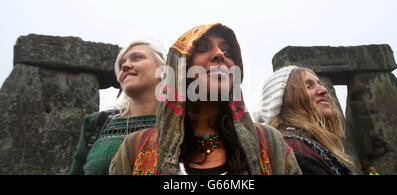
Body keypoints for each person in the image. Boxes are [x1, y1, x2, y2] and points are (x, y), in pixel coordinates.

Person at [109, 23, 302, 175]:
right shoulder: (135, 148)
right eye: (202, 48)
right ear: (179, 69)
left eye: (228, 52)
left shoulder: (269, 143)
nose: (219, 54)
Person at [68, 40, 167, 175]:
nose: (125, 65)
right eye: (121, 64)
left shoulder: (185, 124)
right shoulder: (98, 123)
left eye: (137, 57)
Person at [255, 65, 354, 175]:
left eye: (319, 83)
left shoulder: (309, 147)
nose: (324, 90)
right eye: (309, 86)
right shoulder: (296, 152)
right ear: (287, 101)